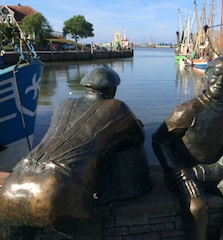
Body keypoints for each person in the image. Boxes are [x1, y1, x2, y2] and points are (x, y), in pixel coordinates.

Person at [0, 66, 151, 240]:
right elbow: (138, 137)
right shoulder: (116, 107)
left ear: (84, 87)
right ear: (114, 89)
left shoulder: (64, 105)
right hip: (56, 188)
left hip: (14, 183)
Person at [152, 56, 223, 240]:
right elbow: (160, 140)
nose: (221, 81)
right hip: (182, 173)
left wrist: (199, 172)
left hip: (211, 173)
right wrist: (175, 170)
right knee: (197, 207)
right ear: (206, 75)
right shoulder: (188, 109)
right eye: (216, 75)